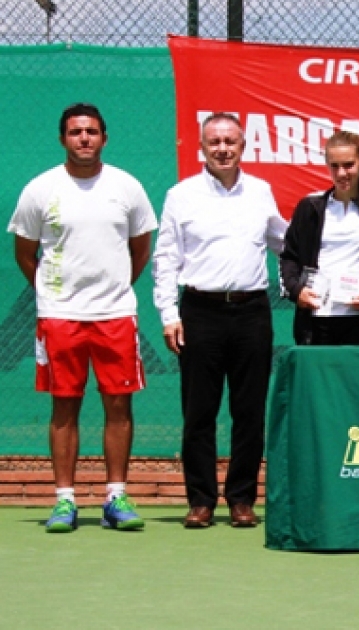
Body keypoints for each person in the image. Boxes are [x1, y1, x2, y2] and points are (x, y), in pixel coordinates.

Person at [8, 103, 157, 533]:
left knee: (118, 405)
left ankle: (115, 497)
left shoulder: (127, 187)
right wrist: (53, 294)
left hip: (115, 316)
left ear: (104, 138)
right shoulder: (40, 189)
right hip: (59, 317)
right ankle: (65, 501)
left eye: (92, 131)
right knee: (64, 407)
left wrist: (114, 289)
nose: (84, 138)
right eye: (76, 132)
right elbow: (24, 252)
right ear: (63, 139)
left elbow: (141, 247)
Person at [152, 112, 287, 528]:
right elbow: (166, 258)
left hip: (251, 313)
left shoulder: (261, 192)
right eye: (214, 142)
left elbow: (284, 244)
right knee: (199, 412)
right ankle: (201, 501)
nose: (223, 149)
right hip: (200, 313)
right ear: (202, 148)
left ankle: (242, 500)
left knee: (249, 411)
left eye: (230, 141)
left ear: (243, 146)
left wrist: (309, 278)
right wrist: (169, 314)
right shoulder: (181, 195)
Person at [280, 131, 359, 345]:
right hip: (317, 319)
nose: (342, 173)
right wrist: (296, 291)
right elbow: (289, 257)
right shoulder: (309, 208)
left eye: (348, 165)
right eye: (334, 166)